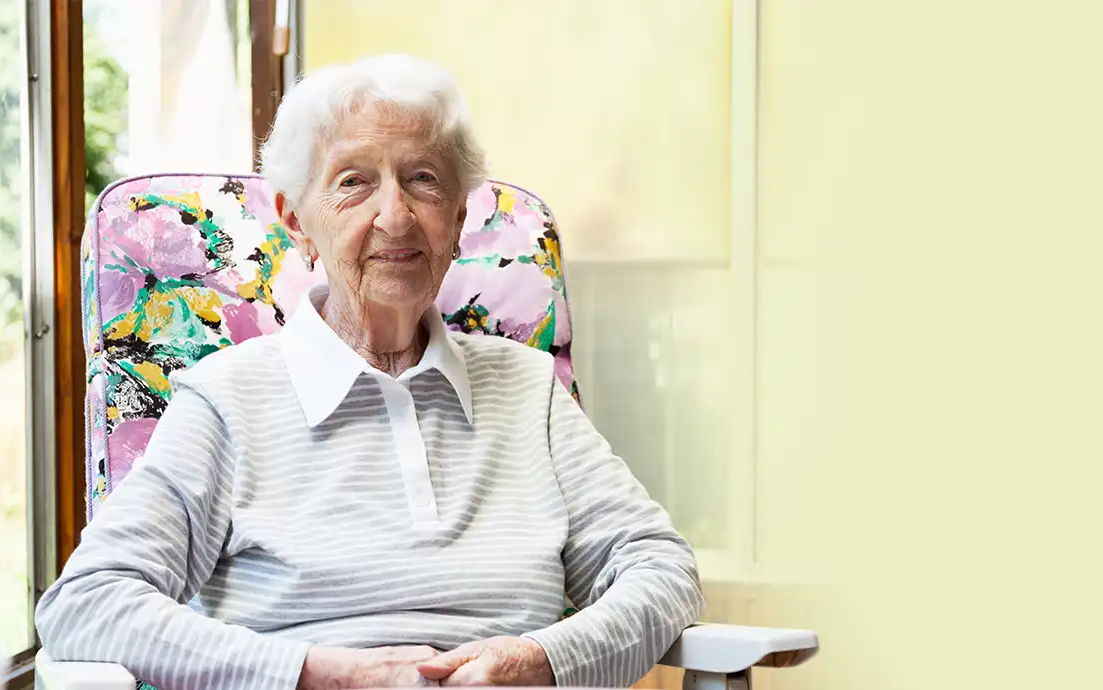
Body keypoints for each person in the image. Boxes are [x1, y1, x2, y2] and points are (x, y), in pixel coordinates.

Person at [35, 54, 703, 690]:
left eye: (424, 179)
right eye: (353, 182)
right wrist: (322, 675)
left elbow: (661, 567)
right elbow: (87, 603)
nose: (395, 216)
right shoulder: (225, 403)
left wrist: (540, 661)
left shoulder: (529, 391)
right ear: (296, 221)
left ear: (458, 218)